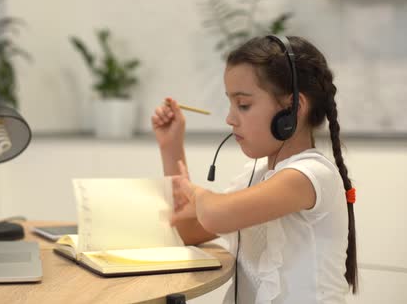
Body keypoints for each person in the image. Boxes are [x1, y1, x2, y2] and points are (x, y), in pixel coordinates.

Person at [151, 35, 357, 304]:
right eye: (231, 103)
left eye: (243, 105)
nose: (230, 118)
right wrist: (171, 146)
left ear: (293, 109)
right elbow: (186, 230)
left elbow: (216, 215)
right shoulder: (257, 175)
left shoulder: (310, 175)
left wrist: (197, 194)